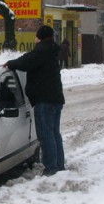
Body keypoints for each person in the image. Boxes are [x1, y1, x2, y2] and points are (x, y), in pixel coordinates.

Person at [4, 25, 65, 176]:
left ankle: (51, 168)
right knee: (54, 133)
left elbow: (26, 61)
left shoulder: (42, 51)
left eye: (36, 37)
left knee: (46, 135)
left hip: (45, 100)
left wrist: (11, 63)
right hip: (55, 99)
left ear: (40, 37)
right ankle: (59, 165)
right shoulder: (52, 50)